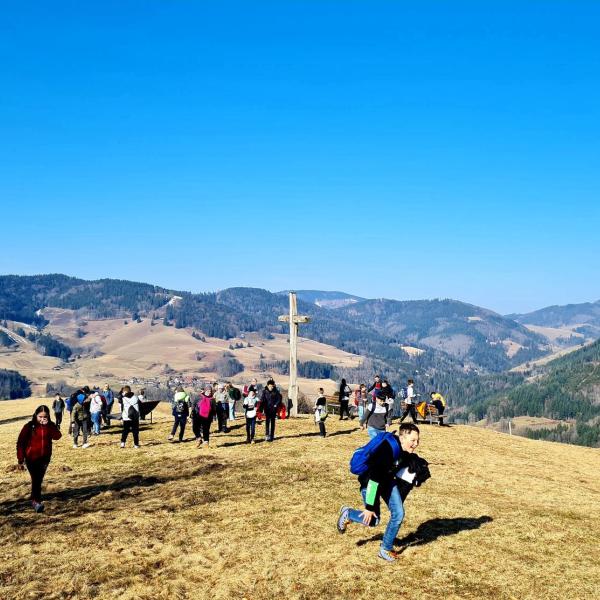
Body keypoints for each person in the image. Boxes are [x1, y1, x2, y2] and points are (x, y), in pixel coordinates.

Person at [337, 423, 430, 561]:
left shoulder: (403, 450)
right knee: (373, 520)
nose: (416, 444)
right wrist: (369, 507)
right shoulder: (387, 450)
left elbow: (407, 462)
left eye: (417, 440)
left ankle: (385, 549)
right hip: (370, 482)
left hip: (386, 481)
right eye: (413, 440)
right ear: (402, 438)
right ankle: (349, 514)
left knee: (398, 513)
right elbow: (374, 478)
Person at [16, 405, 62, 512]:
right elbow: (20, 443)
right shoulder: (29, 426)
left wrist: (49, 426)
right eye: (40, 416)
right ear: (36, 415)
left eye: (44, 417)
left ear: (48, 416)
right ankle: (36, 502)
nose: (42, 419)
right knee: (36, 479)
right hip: (31, 458)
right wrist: (20, 459)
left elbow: (57, 436)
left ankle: (33, 497)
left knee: (38, 479)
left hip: (45, 458)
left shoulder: (50, 425)